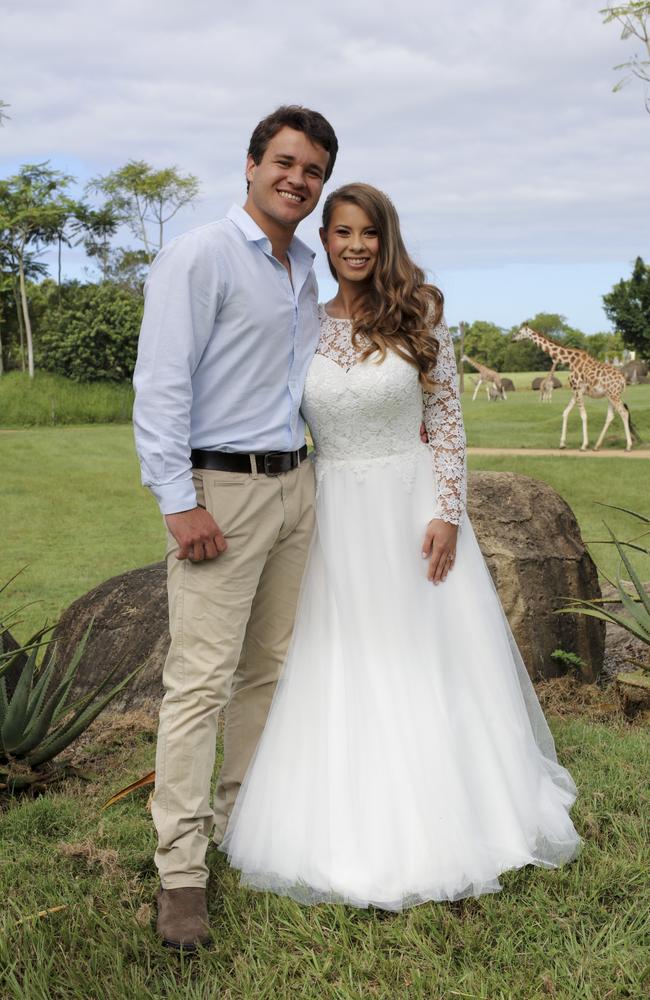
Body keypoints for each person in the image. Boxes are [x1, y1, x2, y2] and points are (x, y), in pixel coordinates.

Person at [220, 183, 582, 909]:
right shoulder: (302, 325)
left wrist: (448, 511)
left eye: (369, 233)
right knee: (343, 655)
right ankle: (347, 814)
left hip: (414, 506)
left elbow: (448, 422)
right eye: (342, 232)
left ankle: (458, 807)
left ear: (386, 239)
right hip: (334, 514)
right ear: (322, 240)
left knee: (427, 651)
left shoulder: (423, 315)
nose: (356, 245)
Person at [133, 105, 339, 949]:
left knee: (268, 672)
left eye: (314, 171)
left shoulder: (303, 271)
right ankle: (180, 873)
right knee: (199, 682)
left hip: (298, 486)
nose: (298, 179)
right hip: (222, 490)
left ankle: (239, 824)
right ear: (251, 165)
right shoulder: (203, 254)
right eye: (285, 162)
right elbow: (160, 383)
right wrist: (178, 500)